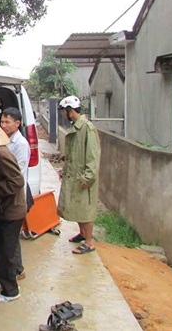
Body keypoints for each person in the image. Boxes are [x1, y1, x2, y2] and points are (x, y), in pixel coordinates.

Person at [0, 120, 26, 303]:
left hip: (12, 210)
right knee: (1, 249)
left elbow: (17, 181)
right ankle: (4, 281)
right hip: (5, 209)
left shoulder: (1, 154)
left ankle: (11, 291)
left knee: (6, 251)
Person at [57, 95, 101, 254]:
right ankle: (83, 234)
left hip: (83, 177)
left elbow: (93, 157)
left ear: (69, 111)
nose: (63, 115)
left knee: (85, 210)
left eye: (64, 112)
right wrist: (65, 170)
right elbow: (72, 155)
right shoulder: (77, 127)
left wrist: (88, 177)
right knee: (76, 206)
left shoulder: (87, 128)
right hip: (74, 175)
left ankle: (89, 242)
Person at [0, 106, 32, 280]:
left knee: (9, 240)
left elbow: (17, 174)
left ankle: (13, 272)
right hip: (7, 196)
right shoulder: (3, 139)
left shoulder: (20, 144)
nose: (3, 125)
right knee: (8, 238)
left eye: (7, 122)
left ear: (17, 124)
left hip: (15, 196)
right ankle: (14, 268)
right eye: (2, 121)